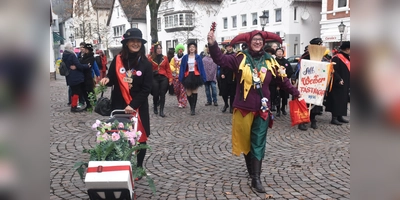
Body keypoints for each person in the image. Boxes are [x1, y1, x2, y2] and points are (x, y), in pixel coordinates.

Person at [207, 30, 301, 193]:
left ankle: (256, 178)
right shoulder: (239, 59)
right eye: (254, 39)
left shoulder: (271, 61)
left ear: (263, 43)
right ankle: (251, 170)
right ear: (249, 42)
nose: (257, 42)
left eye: (260, 40)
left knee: (258, 142)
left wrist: (296, 93)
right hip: (243, 109)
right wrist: (213, 44)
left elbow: (283, 80)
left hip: (262, 110)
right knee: (245, 142)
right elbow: (220, 59)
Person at [99, 28, 153, 180]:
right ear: (126, 43)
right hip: (119, 104)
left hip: (138, 106)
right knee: (119, 135)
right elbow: (111, 77)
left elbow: (146, 89)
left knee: (140, 137)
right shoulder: (118, 60)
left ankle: (139, 167)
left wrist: (133, 105)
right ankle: (121, 164)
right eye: (132, 41)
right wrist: (106, 80)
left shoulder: (146, 64)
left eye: (138, 42)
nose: (135, 44)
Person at [295, 37, 330, 130]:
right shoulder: (305, 56)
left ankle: (313, 119)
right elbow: (298, 68)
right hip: (306, 83)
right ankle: (302, 121)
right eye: (320, 44)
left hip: (317, 82)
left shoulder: (323, 57)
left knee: (315, 101)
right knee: (304, 102)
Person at [325, 41, 350, 124]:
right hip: (337, 83)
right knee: (337, 100)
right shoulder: (337, 57)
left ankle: (340, 116)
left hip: (345, 83)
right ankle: (334, 118)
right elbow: (333, 70)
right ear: (347, 49)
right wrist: (338, 79)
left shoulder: (346, 57)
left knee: (343, 100)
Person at [179, 41, 207, 115]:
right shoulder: (185, 57)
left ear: (195, 48)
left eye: (193, 47)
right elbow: (182, 67)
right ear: (188, 48)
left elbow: (201, 67)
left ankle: (193, 109)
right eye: (190, 47)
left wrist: (203, 77)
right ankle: (191, 106)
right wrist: (181, 77)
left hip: (196, 76)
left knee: (194, 91)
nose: (192, 48)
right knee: (188, 92)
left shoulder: (198, 57)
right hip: (187, 75)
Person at [62, 43, 91, 112]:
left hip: (69, 76)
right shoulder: (71, 55)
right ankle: (74, 107)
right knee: (76, 92)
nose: (73, 48)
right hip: (75, 77)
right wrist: (87, 66)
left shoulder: (64, 55)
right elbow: (78, 65)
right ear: (70, 48)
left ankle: (73, 105)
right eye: (72, 47)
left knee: (73, 92)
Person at [148, 41, 173, 117]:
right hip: (154, 78)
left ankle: (161, 110)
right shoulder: (150, 58)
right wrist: (152, 73)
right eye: (158, 48)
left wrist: (170, 79)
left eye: (160, 48)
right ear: (155, 49)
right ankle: (155, 106)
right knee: (155, 94)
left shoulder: (164, 58)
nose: (159, 49)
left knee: (163, 94)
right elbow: (148, 69)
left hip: (163, 78)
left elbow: (168, 69)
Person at [275, 48, 294, 117]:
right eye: (278, 52)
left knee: (284, 97)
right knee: (278, 96)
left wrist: (286, 76)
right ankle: (278, 110)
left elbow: (290, 71)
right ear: (276, 53)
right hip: (277, 82)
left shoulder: (286, 61)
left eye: (281, 52)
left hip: (285, 82)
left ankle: (283, 108)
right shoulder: (274, 61)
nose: (279, 53)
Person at [219, 43, 236, 113]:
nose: (229, 48)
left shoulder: (235, 55)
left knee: (232, 93)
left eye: (230, 46)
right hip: (225, 75)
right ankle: (226, 104)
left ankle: (232, 106)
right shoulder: (224, 56)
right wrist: (222, 73)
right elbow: (221, 65)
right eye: (227, 47)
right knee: (224, 92)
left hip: (233, 75)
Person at [79, 43, 96, 111]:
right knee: (84, 91)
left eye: (86, 49)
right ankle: (88, 104)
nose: (85, 50)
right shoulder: (84, 56)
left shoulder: (91, 57)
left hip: (88, 76)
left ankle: (90, 105)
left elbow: (87, 65)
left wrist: (82, 64)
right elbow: (82, 63)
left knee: (89, 91)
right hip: (83, 76)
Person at [170, 44, 187, 108]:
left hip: (183, 76)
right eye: (179, 49)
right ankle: (179, 100)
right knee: (177, 90)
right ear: (177, 50)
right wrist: (173, 69)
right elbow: (171, 65)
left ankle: (182, 102)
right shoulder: (174, 58)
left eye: (181, 49)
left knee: (182, 89)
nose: (180, 51)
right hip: (175, 76)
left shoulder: (185, 58)